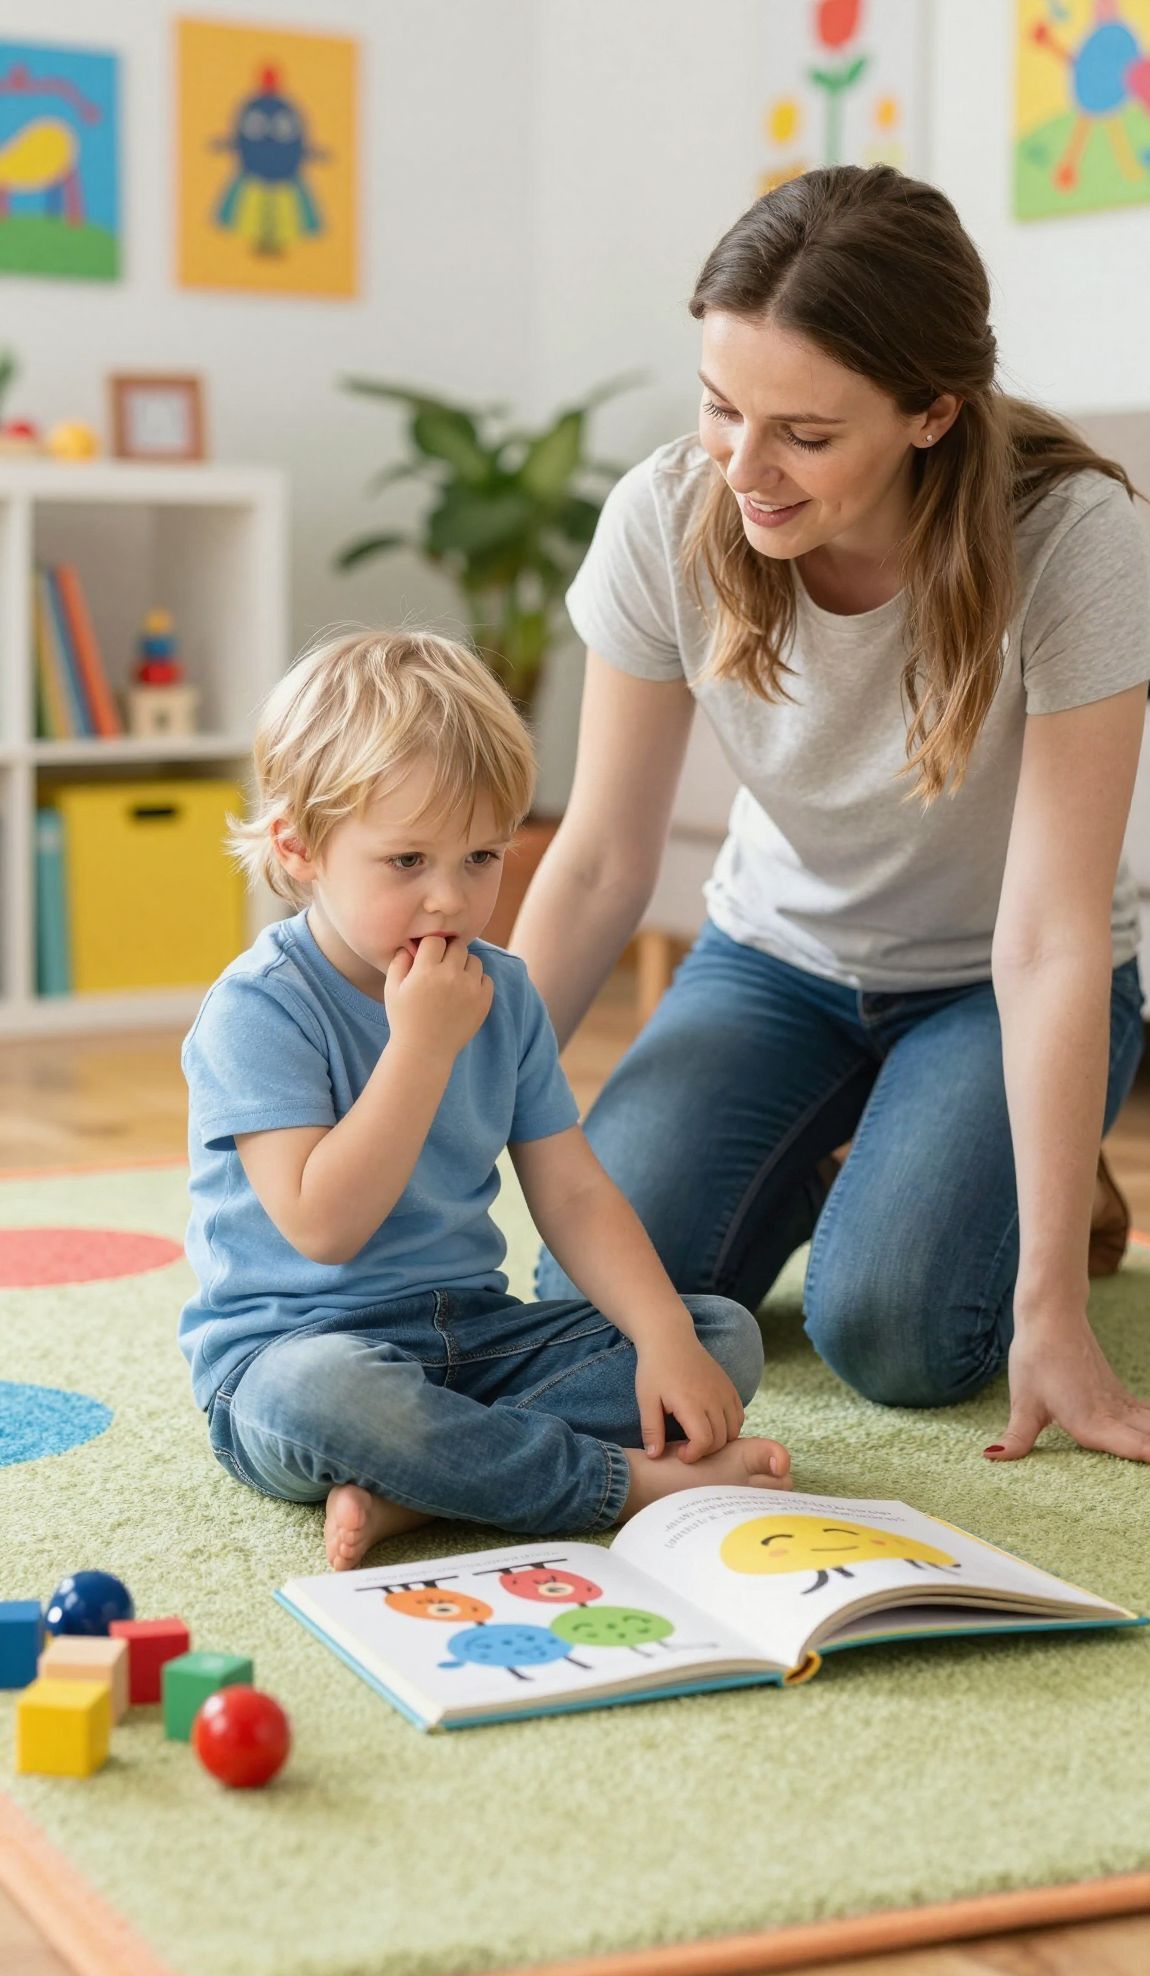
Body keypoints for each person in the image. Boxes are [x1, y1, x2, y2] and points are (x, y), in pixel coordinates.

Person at [513, 163, 1150, 1466]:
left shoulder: (1077, 539)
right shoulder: (669, 518)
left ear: (932, 413)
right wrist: (450, 1108)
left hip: (995, 980)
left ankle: (1008, 1163)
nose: (745, 469)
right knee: (588, 1303)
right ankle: (861, 1150)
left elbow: (1046, 934)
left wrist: (1047, 1302)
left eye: (804, 433)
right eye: (719, 408)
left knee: (901, 1337)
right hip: (774, 963)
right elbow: (598, 865)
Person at [179, 630, 791, 1572]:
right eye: (407, 862)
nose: (450, 901)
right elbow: (324, 1225)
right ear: (299, 848)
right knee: (327, 1400)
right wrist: (420, 1048)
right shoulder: (258, 1010)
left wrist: (663, 1336)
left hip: (469, 1333)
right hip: (294, 1355)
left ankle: (421, 1486)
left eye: (480, 858)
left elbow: (575, 1193)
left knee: (720, 1337)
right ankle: (614, 1484)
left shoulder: (500, 994)